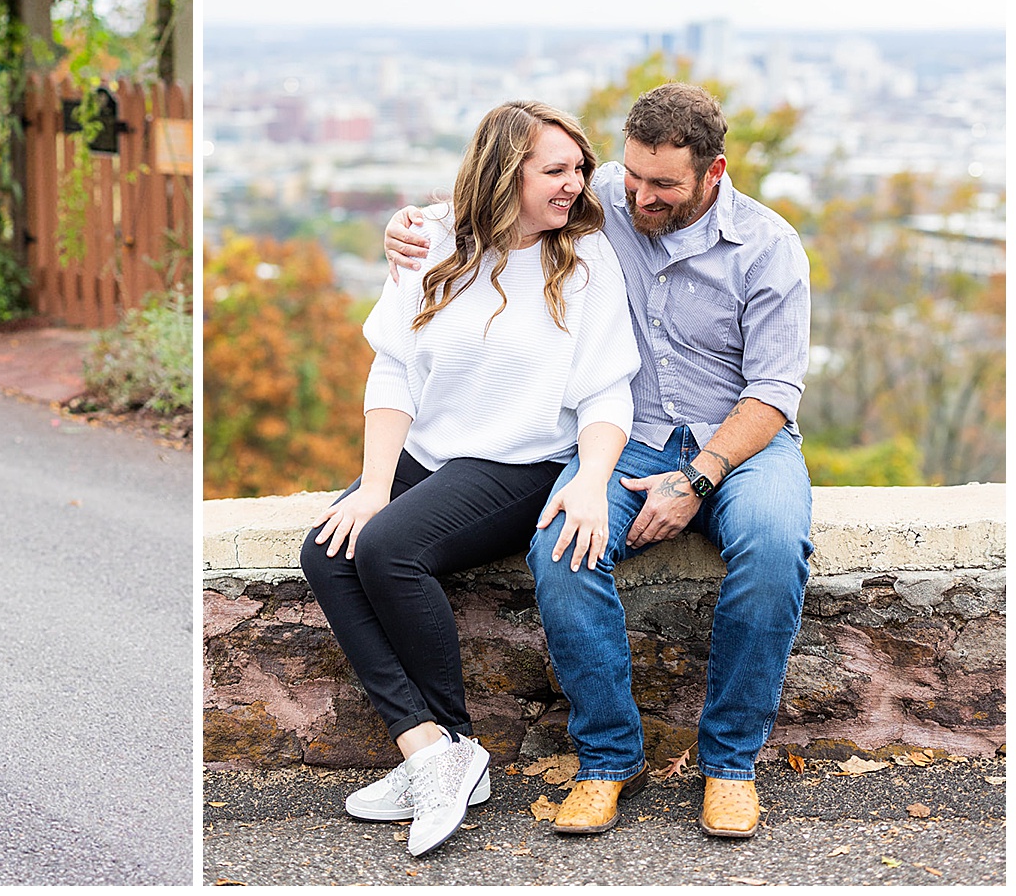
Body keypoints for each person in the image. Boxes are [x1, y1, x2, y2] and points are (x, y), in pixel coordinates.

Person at [385, 84, 812, 843]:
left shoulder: (770, 246)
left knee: (775, 549)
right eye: (633, 176)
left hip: (742, 442)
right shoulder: (602, 195)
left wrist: (698, 477)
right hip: (628, 436)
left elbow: (775, 392)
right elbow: (496, 200)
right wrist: (408, 228)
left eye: (664, 186)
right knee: (560, 548)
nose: (640, 196)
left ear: (713, 173)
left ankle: (730, 765)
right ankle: (611, 760)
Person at [301, 102, 638, 859]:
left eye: (578, 168)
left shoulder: (585, 260)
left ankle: (450, 744)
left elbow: (607, 392)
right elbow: (393, 367)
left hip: (525, 460)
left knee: (388, 548)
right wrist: (372, 483)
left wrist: (591, 481)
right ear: (503, 172)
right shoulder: (430, 238)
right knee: (329, 548)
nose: (574, 184)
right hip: (437, 446)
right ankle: (432, 752)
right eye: (555, 170)